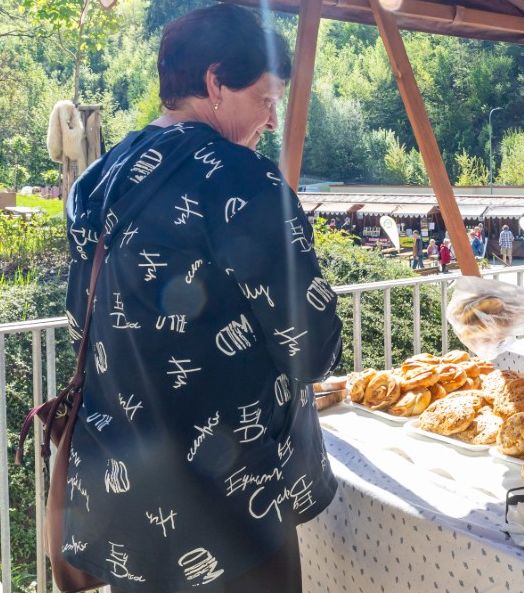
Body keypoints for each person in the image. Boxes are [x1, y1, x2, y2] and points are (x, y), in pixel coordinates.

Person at [60, 6, 343, 592]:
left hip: (127, 496)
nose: (271, 119)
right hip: (233, 503)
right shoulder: (243, 179)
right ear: (216, 82)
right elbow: (312, 346)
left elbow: (77, 319)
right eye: (266, 99)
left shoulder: (103, 175)